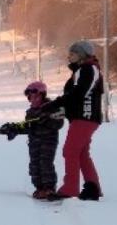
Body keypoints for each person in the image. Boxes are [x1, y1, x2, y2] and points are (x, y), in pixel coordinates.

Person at [42, 40, 105, 201]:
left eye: (73, 53)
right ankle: (93, 188)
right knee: (81, 153)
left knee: (69, 151)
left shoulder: (88, 69)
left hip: (85, 117)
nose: (69, 56)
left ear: (82, 55)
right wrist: (58, 109)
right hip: (82, 117)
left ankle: (70, 188)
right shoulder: (82, 70)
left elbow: (79, 94)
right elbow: (75, 96)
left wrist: (56, 104)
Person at [0, 82, 65, 199]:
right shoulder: (30, 113)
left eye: (35, 96)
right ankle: (39, 188)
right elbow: (28, 127)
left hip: (48, 141)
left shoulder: (51, 107)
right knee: (34, 165)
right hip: (34, 142)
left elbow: (59, 122)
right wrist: (13, 129)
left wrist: (47, 119)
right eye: (30, 97)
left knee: (45, 163)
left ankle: (49, 188)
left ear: (42, 95)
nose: (32, 100)